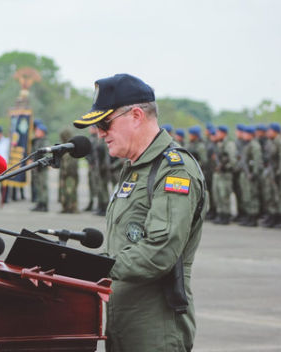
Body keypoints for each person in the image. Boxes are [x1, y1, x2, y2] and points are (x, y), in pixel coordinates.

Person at [73, 73, 206, 352]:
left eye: (104, 123)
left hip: (155, 329)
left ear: (135, 115)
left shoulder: (173, 169)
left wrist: (94, 269)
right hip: (123, 323)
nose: (99, 132)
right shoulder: (136, 167)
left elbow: (160, 251)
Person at [58, 128, 79, 213]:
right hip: (64, 173)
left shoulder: (72, 147)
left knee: (71, 191)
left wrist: (67, 171)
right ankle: (66, 206)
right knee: (64, 191)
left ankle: (72, 207)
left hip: (70, 174)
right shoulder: (64, 147)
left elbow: (72, 163)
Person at [30, 119, 49, 212]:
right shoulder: (37, 141)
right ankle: (39, 203)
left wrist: (42, 166)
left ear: (42, 132)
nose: (36, 132)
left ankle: (44, 204)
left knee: (43, 186)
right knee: (38, 186)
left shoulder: (44, 141)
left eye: (38, 131)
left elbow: (46, 156)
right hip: (37, 167)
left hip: (42, 168)